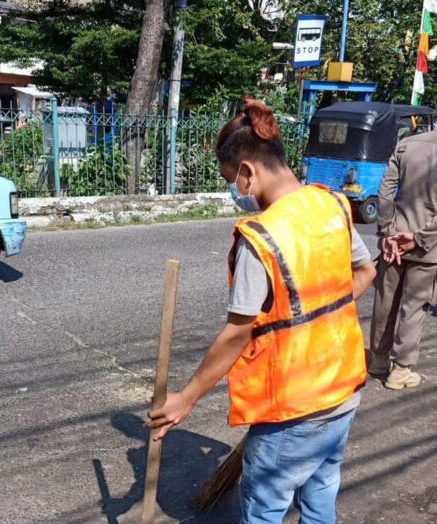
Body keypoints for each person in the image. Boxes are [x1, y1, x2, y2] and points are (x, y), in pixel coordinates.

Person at [145, 103, 376, 523]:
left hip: (292, 408)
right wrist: (320, 316)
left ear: (248, 172)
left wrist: (185, 400)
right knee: (320, 499)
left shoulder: (261, 237)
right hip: (344, 390)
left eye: (231, 180)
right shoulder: (333, 205)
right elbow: (365, 271)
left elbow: (237, 334)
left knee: (264, 513)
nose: (235, 191)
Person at [369, 89, 437, 389]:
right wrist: (417, 237)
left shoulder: (406, 145)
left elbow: (384, 193)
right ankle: (400, 370)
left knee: (385, 301)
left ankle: (378, 360)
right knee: (414, 306)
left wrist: (387, 233)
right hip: (428, 247)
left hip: (393, 242)